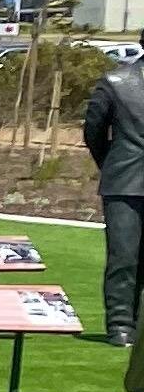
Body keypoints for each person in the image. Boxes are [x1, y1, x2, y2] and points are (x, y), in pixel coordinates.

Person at [84, 52, 144, 348]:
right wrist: (112, 164)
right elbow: (93, 131)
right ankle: (121, 324)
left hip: (123, 177)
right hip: (125, 182)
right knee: (124, 256)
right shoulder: (116, 81)